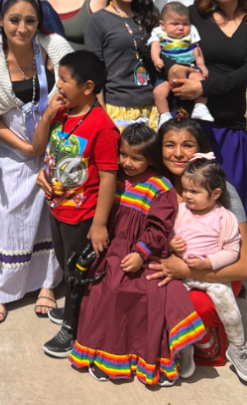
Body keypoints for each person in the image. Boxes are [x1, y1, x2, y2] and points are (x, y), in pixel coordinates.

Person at [68, 123, 207, 385]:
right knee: (99, 290)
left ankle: (134, 355)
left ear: (150, 157)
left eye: (136, 157)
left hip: (140, 252)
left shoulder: (159, 186)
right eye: (123, 154)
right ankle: (100, 353)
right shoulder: (114, 177)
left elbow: (159, 228)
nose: (127, 162)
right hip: (109, 246)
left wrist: (141, 254)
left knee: (135, 292)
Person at [0, 0, 72, 324]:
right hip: (9, 146)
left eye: (30, 20)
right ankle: (3, 291)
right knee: (9, 214)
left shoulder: (51, 50)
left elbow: (72, 93)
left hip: (52, 145)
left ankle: (47, 283)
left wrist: (45, 144)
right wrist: (24, 146)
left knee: (50, 212)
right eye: (14, 19)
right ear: (0, 21)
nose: (22, 27)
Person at [145, 116, 247, 380]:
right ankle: (178, 344)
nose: (178, 153)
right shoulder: (154, 185)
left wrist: (186, 270)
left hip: (216, 270)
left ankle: (215, 343)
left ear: (201, 148)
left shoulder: (221, 190)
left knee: (196, 302)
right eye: (169, 144)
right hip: (168, 265)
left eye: (188, 145)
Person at [172, 0, 247, 236]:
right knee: (189, 201)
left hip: (230, 124)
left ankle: (236, 271)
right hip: (189, 124)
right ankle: (192, 270)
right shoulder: (192, 16)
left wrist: (203, 88)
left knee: (234, 201)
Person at [31, 51, 119, 357]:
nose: (58, 87)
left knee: (76, 271)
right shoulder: (61, 113)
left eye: (64, 80)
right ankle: (74, 311)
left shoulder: (102, 127)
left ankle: (72, 327)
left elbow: (108, 177)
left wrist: (98, 224)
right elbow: (39, 147)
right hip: (57, 207)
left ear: (88, 87)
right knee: (65, 263)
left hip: (82, 214)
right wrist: (45, 116)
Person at [171, 156, 247, 382]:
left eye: (195, 192)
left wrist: (208, 263)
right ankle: (186, 345)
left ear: (216, 194)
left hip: (212, 278)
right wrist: (172, 244)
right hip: (181, 275)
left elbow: (232, 251)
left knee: (231, 312)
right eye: (186, 189)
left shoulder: (225, 217)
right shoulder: (180, 212)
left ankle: (237, 348)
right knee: (177, 309)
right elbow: (168, 236)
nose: (188, 196)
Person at [84, 0, 160, 129]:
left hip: (154, 107)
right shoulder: (97, 21)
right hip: (117, 110)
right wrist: (101, 114)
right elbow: (94, 73)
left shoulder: (150, 17)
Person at [150, 1, 213, 126]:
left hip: (189, 66)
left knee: (201, 81)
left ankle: (200, 107)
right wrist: (157, 59)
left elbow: (196, 49)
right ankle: (164, 115)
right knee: (158, 92)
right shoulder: (158, 32)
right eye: (175, 24)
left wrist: (201, 65)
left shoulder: (191, 32)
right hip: (166, 72)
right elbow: (154, 46)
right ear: (162, 25)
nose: (181, 27)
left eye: (185, 23)